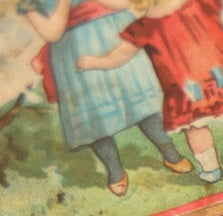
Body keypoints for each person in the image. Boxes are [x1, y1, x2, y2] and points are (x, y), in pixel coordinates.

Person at [77, 0, 223, 184]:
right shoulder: (195, 5)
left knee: (204, 124)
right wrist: (97, 61)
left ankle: (214, 167)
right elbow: (120, 55)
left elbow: (119, 56)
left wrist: (97, 61)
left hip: (198, 86)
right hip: (217, 77)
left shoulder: (151, 23)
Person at [21, 0, 191, 196]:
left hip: (113, 33)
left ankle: (171, 154)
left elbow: (124, 3)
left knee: (141, 104)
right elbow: (53, 33)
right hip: (72, 52)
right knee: (97, 118)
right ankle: (115, 171)